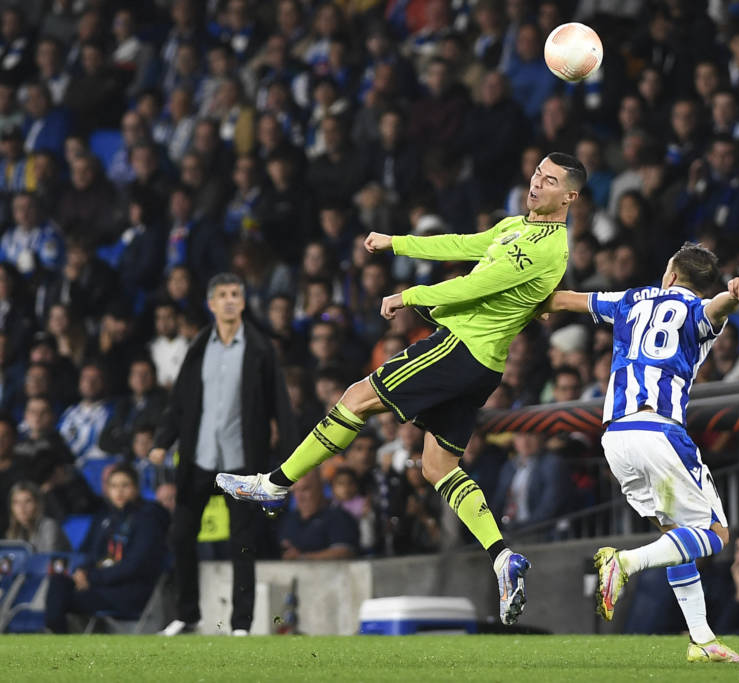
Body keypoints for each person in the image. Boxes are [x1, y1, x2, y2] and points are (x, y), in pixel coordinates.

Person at [217, 152, 586, 626]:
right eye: (537, 172)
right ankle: (502, 557)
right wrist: (398, 243)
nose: (536, 182)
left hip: (459, 348)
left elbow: (474, 287)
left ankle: (274, 484)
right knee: (438, 467)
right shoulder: (518, 225)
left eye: (550, 180)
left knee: (356, 398)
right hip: (481, 364)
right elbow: (464, 244)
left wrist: (409, 296)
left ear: (569, 197)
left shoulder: (547, 249)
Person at [542, 243, 739, 663]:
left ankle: (702, 639)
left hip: (615, 437)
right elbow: (718, 308)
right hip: (659, 432)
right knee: (715, 535)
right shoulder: (697, 310)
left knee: (677, 535)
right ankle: (625, 563)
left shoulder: (631, 299)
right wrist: (735, 293)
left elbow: (564, 300)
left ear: (670, 274)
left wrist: (520, 303)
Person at [152, 273, 294, 637]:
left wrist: (290, 460)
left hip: (241, 461)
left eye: (235, 294)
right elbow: (179, 401)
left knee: (243, 541)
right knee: (181, 535)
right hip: (198, 458)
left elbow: (280, 404)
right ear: (211, 303)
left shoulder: (260, 349)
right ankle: (188, 615)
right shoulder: (199, 347)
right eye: (222, 295)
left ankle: (240, 624)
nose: (230, 300)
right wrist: (162, 441)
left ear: (243, 302)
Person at [44, 464, 169, 633]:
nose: (119, 491)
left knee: (62, 599)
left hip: (128, 591)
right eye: (114, 486)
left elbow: (134, 565)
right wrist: (82, 573)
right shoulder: (104, 517)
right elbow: (87, 552)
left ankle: (57, 637)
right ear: (107, 490)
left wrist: (92, 578)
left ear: (136, 488)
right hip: (101, 585)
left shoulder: (148, 519)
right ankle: (55, 633)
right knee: (59, 581)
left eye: (125, 485)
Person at [277, 470, 359, 560]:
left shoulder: (338, 517)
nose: (299, 496)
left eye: (305, 489)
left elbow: (344, 552)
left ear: (320, 487)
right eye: (295, 491)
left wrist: (302, 557)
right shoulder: (289, 520)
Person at [5, 480, 70, 551]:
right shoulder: (15, 531)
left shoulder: (49, 527)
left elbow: (48, 556)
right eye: (16, 502)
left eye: (28, 501)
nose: (21, 508)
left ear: (37, 504)